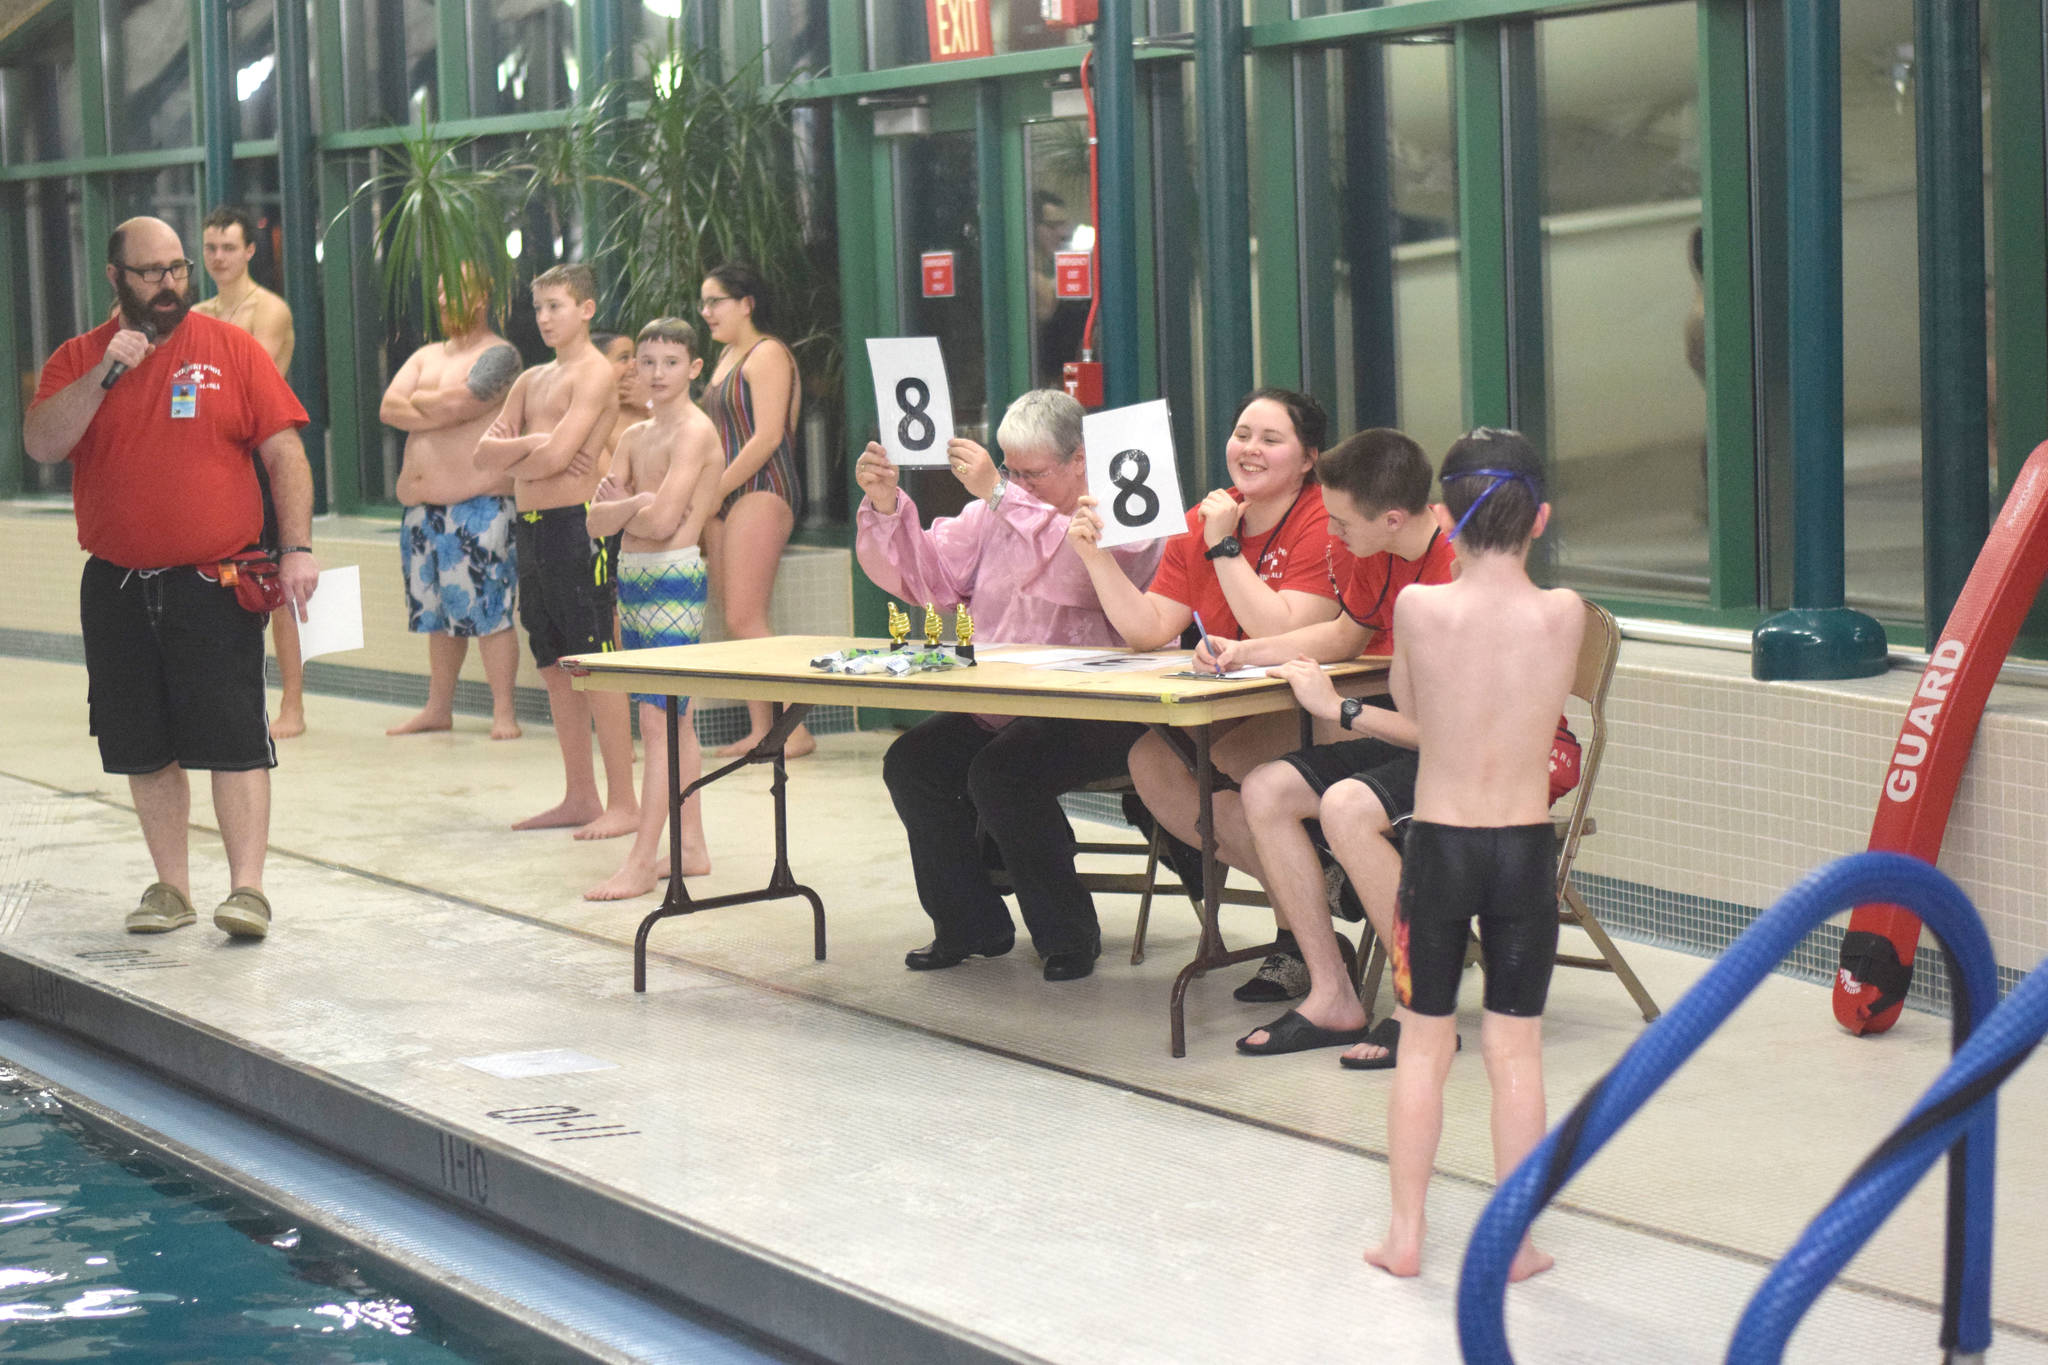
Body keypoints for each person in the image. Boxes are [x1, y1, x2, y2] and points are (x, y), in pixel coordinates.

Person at [23, 215, 316, 941]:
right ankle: (171, 887)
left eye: (178, 269)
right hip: (118, 583)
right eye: (152, 272)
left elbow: (285, 454)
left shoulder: (231, 348)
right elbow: (42, 443)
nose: (170, 284)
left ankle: (247, 889)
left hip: (212, 580)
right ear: (116, 277)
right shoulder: (79, 358)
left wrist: (298, 547)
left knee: (234, 736)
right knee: (143, 741)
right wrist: (104, 374)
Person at [1362, 426, 1581, 1283]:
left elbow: (1410, 705)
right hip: (1524, 853)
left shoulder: (1419, 607)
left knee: (1425, 1046)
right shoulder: (1565, 614)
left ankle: (1406, 1234)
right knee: (1514, 1052)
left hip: (1440, 851)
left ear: (1444, 516)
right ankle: (1517, 1241)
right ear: (1542, 520)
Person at [855, 389, 1163, 983]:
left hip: (1101, 707)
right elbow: (931, 581)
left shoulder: (1124, 509)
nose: (1017, 484)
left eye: (1031, 473)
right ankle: (971, 924)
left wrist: (999, 493)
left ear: (1079, 459)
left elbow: (1080, 579)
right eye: (1008, 469)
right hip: (1003, 701)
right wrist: (888, 505)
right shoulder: (989, 511)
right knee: (913, 762)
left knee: (1003, 773)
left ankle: (1068, 934)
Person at [1208, 430, 1455, 1059]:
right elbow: (1346, 632)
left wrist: (1341, 709)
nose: (1330, 533)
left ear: (1393, 518)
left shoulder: (1462, 571)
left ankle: (1422, 1005)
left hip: (1482, 748)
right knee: (1266, 788)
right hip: (1416, 726)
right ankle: (1333, 996)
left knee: (1347, 805)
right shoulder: (1368, 548)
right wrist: (1246, 652)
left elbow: (1452, 731)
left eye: (1341, 522)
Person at [1070, 388, 1340, 915]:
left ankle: (1299, 931)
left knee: (1220, 764)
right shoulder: (1205, 518)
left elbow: (1279, 629)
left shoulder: (1323, 517)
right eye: (1241, 435)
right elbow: (1148, 629)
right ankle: (1316, 882)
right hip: (1238, 704)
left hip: (1316, 703)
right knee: (1152, 764)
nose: (1249, 449)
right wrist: (1095, 557)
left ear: (1309, 459)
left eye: (1270, 439)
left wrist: (1224, 547)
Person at [474, 263, 634, 839]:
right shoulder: (529, 381)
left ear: (586, 309)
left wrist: (529, 451)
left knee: (597, 663)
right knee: (553, 663)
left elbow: (557, 457)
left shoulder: (592, 375)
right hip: (532, 526)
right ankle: (580, 794)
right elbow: (481, 456)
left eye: (556, 306)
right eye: (538, 308)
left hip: (577, 526)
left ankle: (624, 802)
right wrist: (535, 447)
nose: (543, 318)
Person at [583, 318, 724, 902]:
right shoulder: (635, 437)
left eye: (670, 362)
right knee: (675, 719)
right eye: (647, 362)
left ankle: (642, 860)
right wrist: (631, 507)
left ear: (693, 368)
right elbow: (592, 522)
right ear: (634, 367)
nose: (657, 373)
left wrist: (628, 506)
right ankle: (690, 846)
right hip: (634, 578)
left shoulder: (694, 433)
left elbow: (665, 523)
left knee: (657, 720)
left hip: (673, 576)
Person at [378, 271, 525, 740]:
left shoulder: (500, 356)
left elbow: (461, 403)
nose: (444, 299)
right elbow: (388, 407)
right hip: (423, 510)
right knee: (436, 616)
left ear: (484, 295)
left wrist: (424, 404)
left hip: (478, 504)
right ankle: (438, 707)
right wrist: (433, 405)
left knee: (489, 613)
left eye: (455, 289)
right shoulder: (424, 355)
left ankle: (504, 711)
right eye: (438, 289)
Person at [191, 204, 307, 741]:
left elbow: (239, 384)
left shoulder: (270, 310)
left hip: (264, 459)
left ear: (250, 251)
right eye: (211, 248)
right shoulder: (198, 311)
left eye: (229, 248)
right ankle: (222, 694)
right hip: (213, 463)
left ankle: (294, 705)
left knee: (278, 579)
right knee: (215, 580)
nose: (219, 258)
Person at [698, 263, 815, 759]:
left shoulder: (767, 353)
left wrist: (715, 488)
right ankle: (761, 729)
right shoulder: (725, 355)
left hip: (763, 487)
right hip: (725, 492)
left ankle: (796, 731)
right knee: (735, 617)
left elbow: (768, 436)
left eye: (715, 302)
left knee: (747, 616)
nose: (706, 313)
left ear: (746, 303)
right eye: (702, 304)